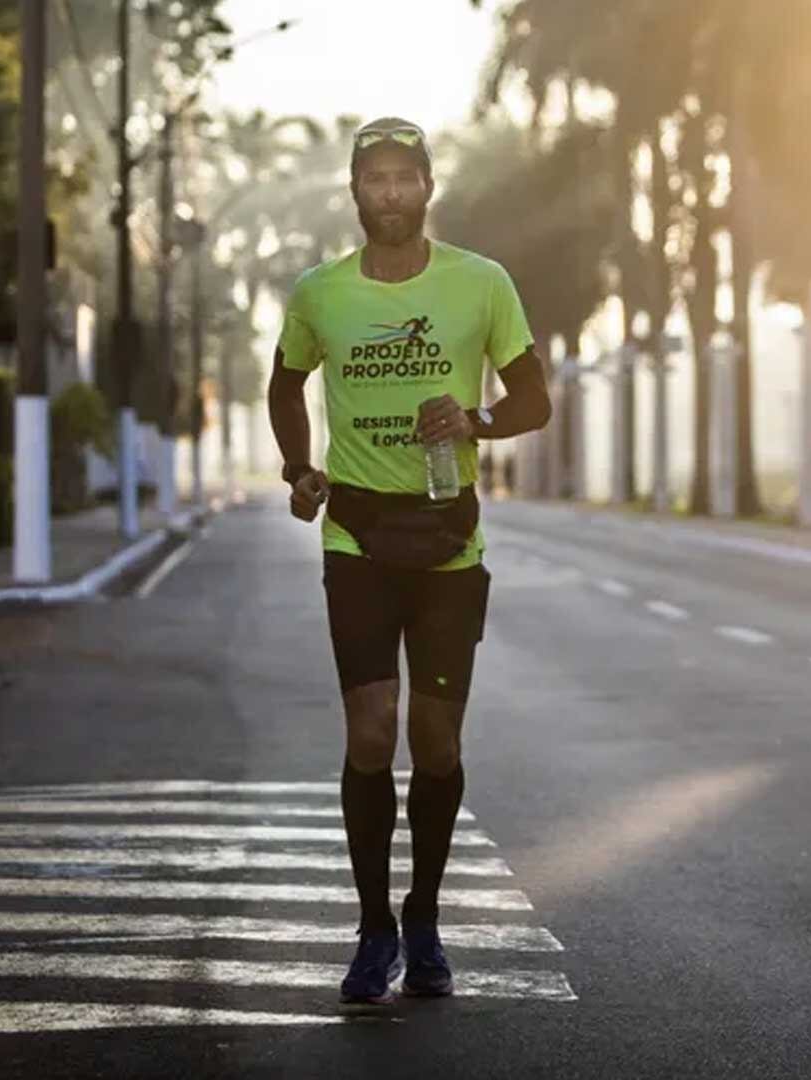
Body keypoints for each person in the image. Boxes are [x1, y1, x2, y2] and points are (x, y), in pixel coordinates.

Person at [266, 117, 551, 1005]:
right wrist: (298, 469)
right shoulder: (320, 292)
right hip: (355, 538)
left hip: (447, 546)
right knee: (369, 732)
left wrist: (476, 420)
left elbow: (533, 398)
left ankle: (423, 917)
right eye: (374, 179)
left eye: (404, 177)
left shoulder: (482, 282)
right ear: (355, 191)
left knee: (436, 741)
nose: (389, 192)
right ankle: (373, 929)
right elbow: (285, 382)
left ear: (427, 186)